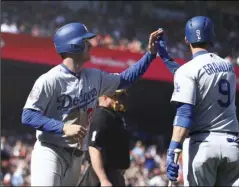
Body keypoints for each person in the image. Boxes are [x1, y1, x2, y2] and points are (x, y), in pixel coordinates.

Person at [21, 22, 163, 186]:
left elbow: (125, 79)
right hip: (50, 150)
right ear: (74, 45)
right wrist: (63, 127)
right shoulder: (50, 79)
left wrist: (150, 55)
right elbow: (28, 115)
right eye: (85, 41)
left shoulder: (94, 76)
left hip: (76, 156)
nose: (90, 45)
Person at [157, 16, 239, 186]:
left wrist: (171, 150)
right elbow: (198, 75)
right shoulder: (229, 67)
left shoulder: (187, 71)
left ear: (186, 39)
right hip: (233, 145)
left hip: (203, 145)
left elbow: (184, 115)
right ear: (212, 37)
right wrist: (166, 58)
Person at [77, 89, 130, 187]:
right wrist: (103, 179)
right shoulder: (101, 115)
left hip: (113, 174)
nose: (118, 101)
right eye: (115, 98)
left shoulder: (114, 116)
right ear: (105, 98)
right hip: (100, 175)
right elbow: (94, 148)